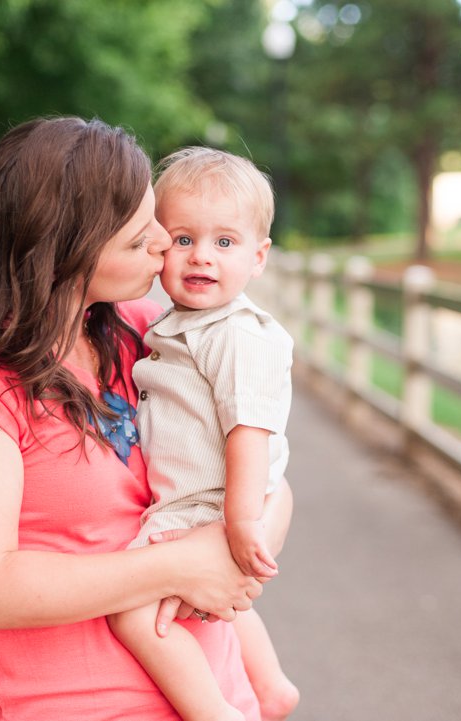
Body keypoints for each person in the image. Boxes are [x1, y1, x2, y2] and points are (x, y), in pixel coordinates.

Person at [0, 117, 293, 721]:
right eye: (143, 239)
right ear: (65, 249)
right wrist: (180, 564)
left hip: (217, 692)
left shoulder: (146, 331)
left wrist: (243, 557)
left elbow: (267, 474)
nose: (167, 246)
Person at [107, 148, 299, 721]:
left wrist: (240, 524)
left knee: (134, 611)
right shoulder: (178, 325)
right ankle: (270, 689)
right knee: (228, 605)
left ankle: (212, 710)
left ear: (258, 256)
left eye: (224, 243)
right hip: (202, 499)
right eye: (184, 239)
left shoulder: (235, 334)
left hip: (209, 505)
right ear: (159, 245)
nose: (202, 258)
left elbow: (249, 430)